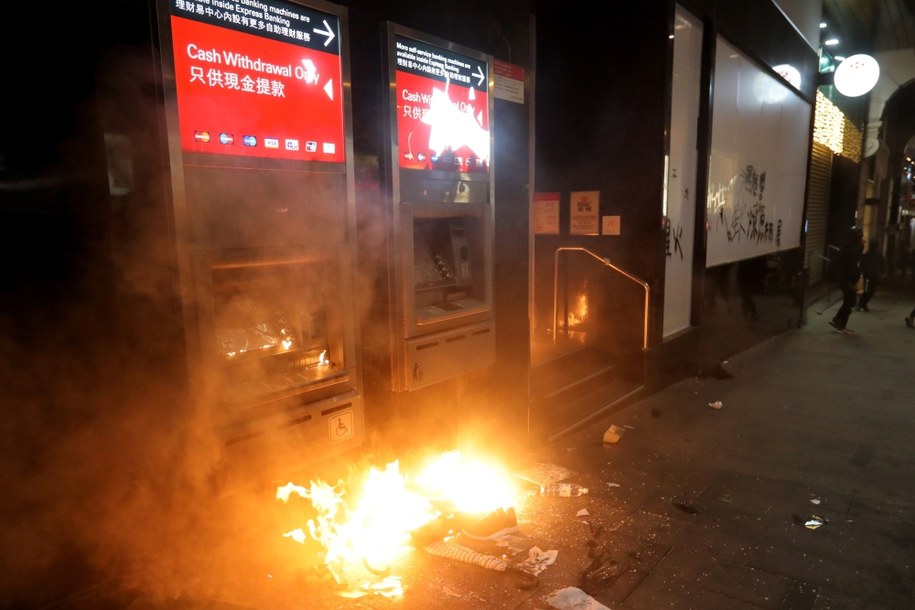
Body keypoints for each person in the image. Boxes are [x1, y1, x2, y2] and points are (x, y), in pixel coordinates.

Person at [829, 226, 863, 333]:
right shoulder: (851, 249)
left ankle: (840, 322)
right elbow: (849, 266)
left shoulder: (852, 248)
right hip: (847, 279)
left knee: (849, 301)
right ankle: (838, 321)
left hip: (848, 279)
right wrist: (850, 281)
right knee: (850, 301)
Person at [856, 239, 885, 312]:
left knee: (872, 290)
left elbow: (882, 264)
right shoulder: (867, 255)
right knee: (867, 290)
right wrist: (862, 271)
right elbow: (862, 264)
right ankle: (861, 304)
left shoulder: (878, 255)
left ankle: (863, 303)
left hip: (874, 275)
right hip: (868, 275)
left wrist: (882, 272)